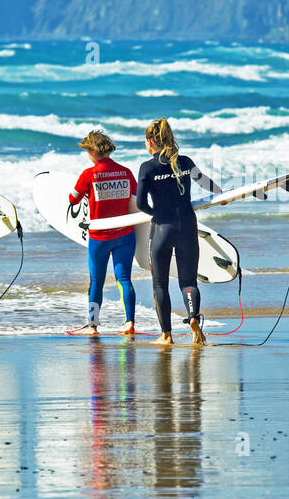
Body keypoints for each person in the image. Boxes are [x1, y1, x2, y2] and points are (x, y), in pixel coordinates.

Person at [136, 118, 221, 345]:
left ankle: (166, 335)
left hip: (162, 228)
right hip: (187, 227)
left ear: (150, 141)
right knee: (188, 281)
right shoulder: (185, 161)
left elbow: (141, 205)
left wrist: (156, 213)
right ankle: (193, 318)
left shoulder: (147, 168)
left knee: (160, 284)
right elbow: (205, 182)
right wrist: (220, 195)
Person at [70, 130, 138, 335]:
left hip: (100, 236)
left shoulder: (89, 174)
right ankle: (130, 323)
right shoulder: (125, 172)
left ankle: (93, 326)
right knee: (124, 278)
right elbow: (136, 199)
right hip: (125, 234)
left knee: (97, 280)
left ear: (92, 150)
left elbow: (73, 199)